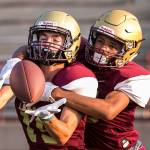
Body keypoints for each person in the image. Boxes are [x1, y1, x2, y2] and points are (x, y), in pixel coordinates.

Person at [47, 10, 150, 150]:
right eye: (100, 41)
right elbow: (35, 47)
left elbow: (108, 110)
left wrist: (57, 93)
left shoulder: (134, 76)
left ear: (128, 50)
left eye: (113, 46)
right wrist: (16, 60)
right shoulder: (81, 50)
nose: (103, 48)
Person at [0, 11, 98, 149]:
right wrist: (11, 71)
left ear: (71, 44)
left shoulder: (77, 77)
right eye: (43, 38)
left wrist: (47, 118)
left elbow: (64, 135)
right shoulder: (26, 70)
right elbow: (2, 99)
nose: (47, 44)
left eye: (55, 39)